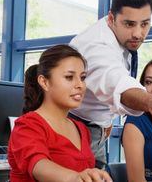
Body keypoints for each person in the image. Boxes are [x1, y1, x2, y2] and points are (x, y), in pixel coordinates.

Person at [69, 0, 152, 168]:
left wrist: (106, 120)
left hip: (96, 127)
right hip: (74, 131)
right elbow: (118, 83)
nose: (138, 33)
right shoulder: (95, 46)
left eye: (145, 23)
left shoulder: (120, 36)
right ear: (110, 18)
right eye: (129, 24)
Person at [7, 45, 112, 182]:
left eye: (83, 77)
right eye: (69, 77)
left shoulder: (81, 129)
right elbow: (39, 165)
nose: (80, 85)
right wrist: (74, 177)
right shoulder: (27, 125)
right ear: (44, 82)